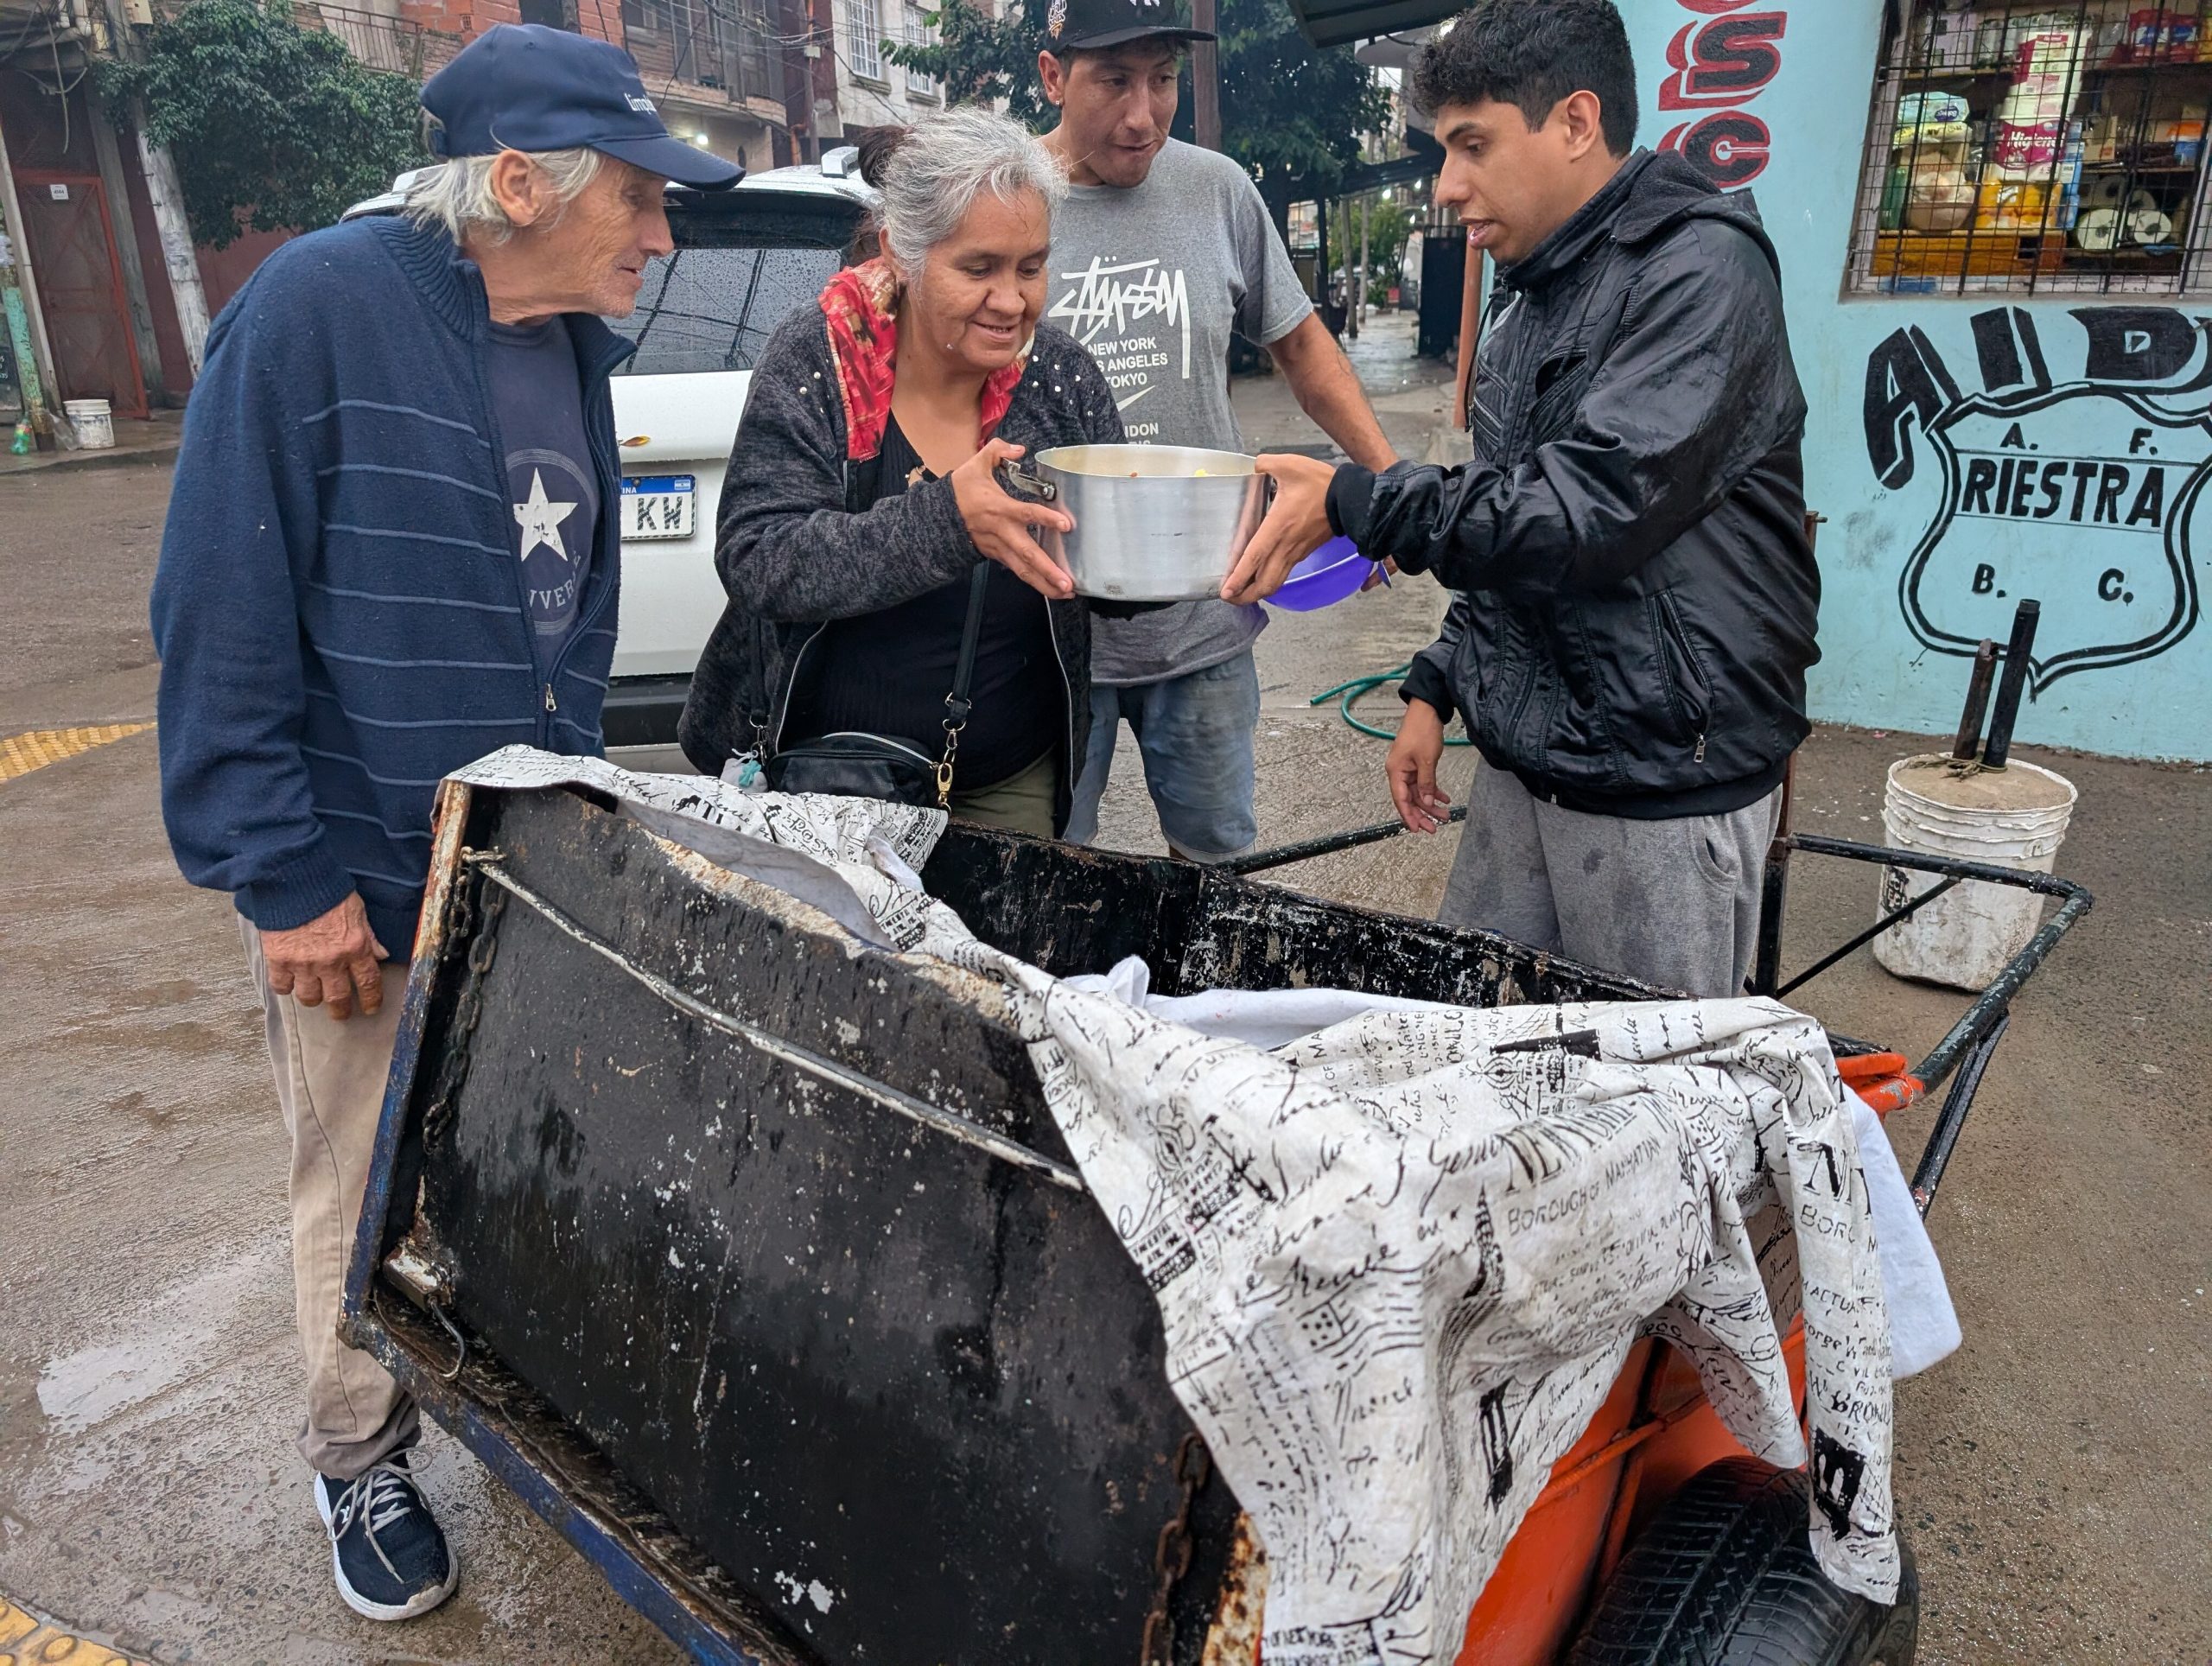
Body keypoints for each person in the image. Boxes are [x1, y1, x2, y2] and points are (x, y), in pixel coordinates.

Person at [149, 25, 739, 1622]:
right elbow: (218, 611)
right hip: (349, 871)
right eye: (642, 199)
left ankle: (492, 1401)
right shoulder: (314, 313)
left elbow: (568, 616)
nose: (663, 235)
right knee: (353, 1168)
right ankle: (357, 1444)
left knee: (501, 1154)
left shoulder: (568, 347)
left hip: (515, 863)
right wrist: (282, 880)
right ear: (524, 181)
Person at [1228, 0, 1821, 998]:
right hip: (1525, 763)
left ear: (1576, 123)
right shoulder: (1526, 291)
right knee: (1476, 1056)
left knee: (1649, 1106)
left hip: (1662, 784)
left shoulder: (1701, 272)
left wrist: (1357, 502)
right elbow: (1512, 524)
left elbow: (1583, 514)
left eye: (1472, 145)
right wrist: (1440, 676)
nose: (1448, 185)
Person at [678, 111, 1126, 836]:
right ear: (901, 253)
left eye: (1031, 267)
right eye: (978, 269)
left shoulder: (1060, 377)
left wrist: (1185, 545)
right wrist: (950, 521)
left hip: (1007, 775)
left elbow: (1108, 564)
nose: (1011, 301)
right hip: (821, 778)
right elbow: (760, 559)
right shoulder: (816, 362)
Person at [1034, 0, 1397, 863]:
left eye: (1161, 81)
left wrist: (1389, 488)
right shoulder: (1001, 198)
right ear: (1052, 76)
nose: (1142, 114)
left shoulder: (1217, 189)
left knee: (1217, 868)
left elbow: (1303, 348)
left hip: (1205, 610)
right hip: (1045, 625)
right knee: (1044, 864)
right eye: (1114, 80)